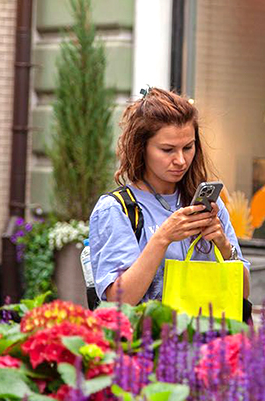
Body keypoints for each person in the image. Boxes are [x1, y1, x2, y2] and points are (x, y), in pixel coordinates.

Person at [89, 87, 250, 306]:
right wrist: (163, 238)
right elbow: (120, 302)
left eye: (188, 147)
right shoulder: (117, 209)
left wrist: (223, 245)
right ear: (141, 148)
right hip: (147, 336)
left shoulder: (211, 204)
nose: (181, 160)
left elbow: (243, 293)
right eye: (167, 150)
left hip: (207, 334)